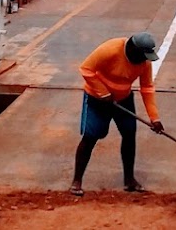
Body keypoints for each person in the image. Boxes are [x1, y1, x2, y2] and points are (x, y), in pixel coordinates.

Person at [70, 31, 165, 196]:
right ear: (133, 51)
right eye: (143, 56)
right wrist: (103, 93)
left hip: (123, 99)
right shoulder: (110, 50)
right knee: (91, 136)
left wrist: (154, 118)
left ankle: (129, 180)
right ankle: (76, 181)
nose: (145, 60)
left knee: (129, 135)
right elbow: (86, 69)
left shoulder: (144, 62)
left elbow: (147, 88)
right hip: (97, 100)